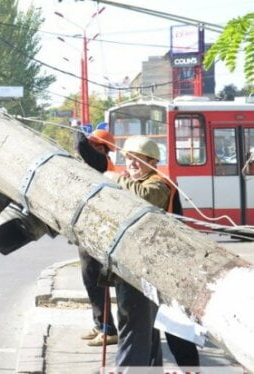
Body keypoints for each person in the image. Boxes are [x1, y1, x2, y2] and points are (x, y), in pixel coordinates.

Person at [104, 136, 201, 368]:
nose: (132, 164)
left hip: (168, 266)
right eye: (128, 159)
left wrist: (112, 177)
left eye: (138, 159)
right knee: (152, 327)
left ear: (152, 161)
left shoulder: (159, 183)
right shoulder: (135, 181)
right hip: (152, 264)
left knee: (176, 329)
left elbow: (145, 196)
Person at [74, 129, 118, 347]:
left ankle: (108, 329)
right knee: (90, 279)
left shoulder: (101, 163)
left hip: (97, 230)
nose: (90, 148)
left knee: (96, 279)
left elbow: (81, 147)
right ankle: (100, 324)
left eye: (94, 145)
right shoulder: (100, 163)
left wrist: (77, 131)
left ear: (101, 148)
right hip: (91, 228)